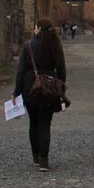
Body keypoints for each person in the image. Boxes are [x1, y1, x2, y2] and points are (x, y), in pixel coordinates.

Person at [13, 18, 66, 171]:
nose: (34, 30)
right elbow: (62, 69)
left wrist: (16, 92)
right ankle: (44, 160)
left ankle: (35, 158)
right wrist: (60, 87)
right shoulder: (55, 46)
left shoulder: (29, 46)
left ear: (39, 29)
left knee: (34, 123)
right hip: (49, 88)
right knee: (45, 124)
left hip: (31, 88)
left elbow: (21, 71)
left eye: (35, 27)